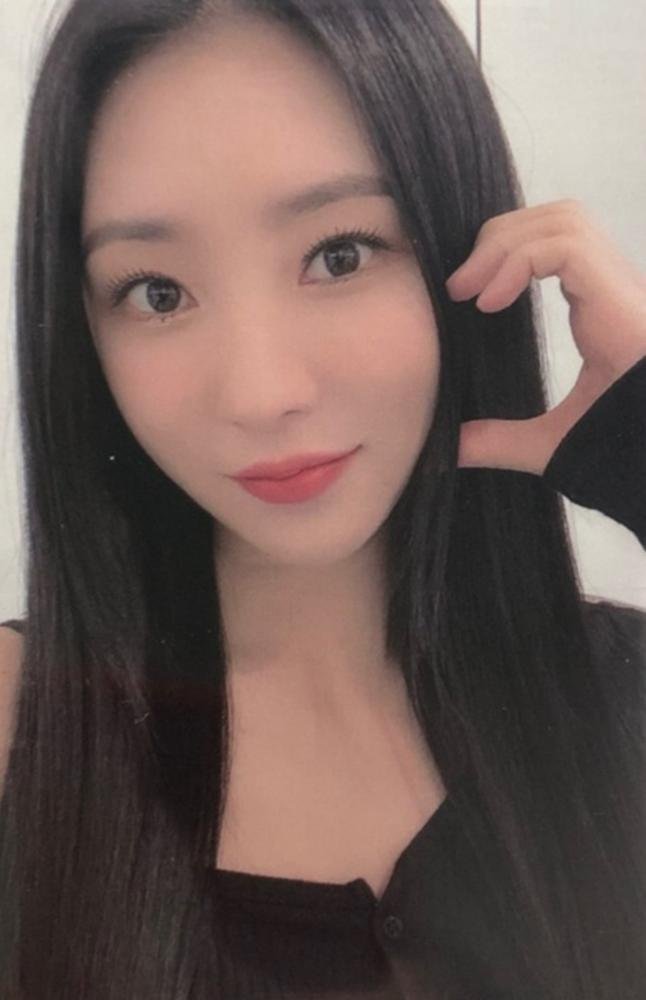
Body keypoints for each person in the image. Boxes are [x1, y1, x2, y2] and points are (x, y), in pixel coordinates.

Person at [0, 0, 644, 997]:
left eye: (339, 254)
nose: (260, 393)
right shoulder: (22, 729)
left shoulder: (618, 695)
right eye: (158, 293)